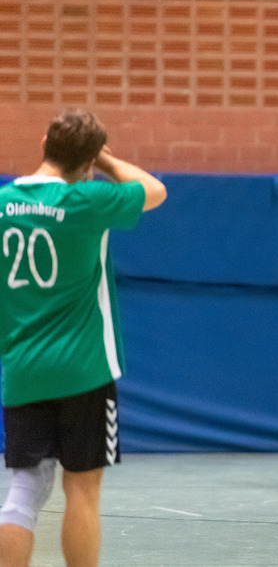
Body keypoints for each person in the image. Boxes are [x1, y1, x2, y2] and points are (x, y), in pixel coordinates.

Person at [0, 109, 167, 567]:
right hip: (84, 369)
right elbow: (155, 190)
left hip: (21, 369)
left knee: (25, 488)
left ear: (42, 144)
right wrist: (109, 164)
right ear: (89, 160)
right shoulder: (87, 202)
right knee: (82, 491)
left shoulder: (2, 205)